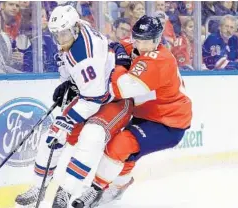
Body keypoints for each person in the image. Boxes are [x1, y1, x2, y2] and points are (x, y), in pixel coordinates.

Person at [14, 5, 133, 208]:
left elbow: (95, 98)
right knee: (53, 135)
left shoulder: (85, 57)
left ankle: (66, 191)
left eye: (65, 33)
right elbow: (73, 70)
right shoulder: (78, 28)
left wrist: (69, 118)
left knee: (91, 137)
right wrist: (68, 81)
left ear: (75, 28)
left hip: (114, 99)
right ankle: (39, 187)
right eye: (57, 34)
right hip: (92, 92)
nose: (61, 39)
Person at [72, 15, 192, 208]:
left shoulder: (159, 60)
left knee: (121, 145)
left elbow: (121, 88)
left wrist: (121, 63)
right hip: (146, 115)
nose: (142, 46)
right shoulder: (137, 44)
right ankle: (119, 187)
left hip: (169, 123)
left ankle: (94, 190)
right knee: (125, 153)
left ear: (158, 40)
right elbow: (110, 48)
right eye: (138, 40)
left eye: (148, 41)